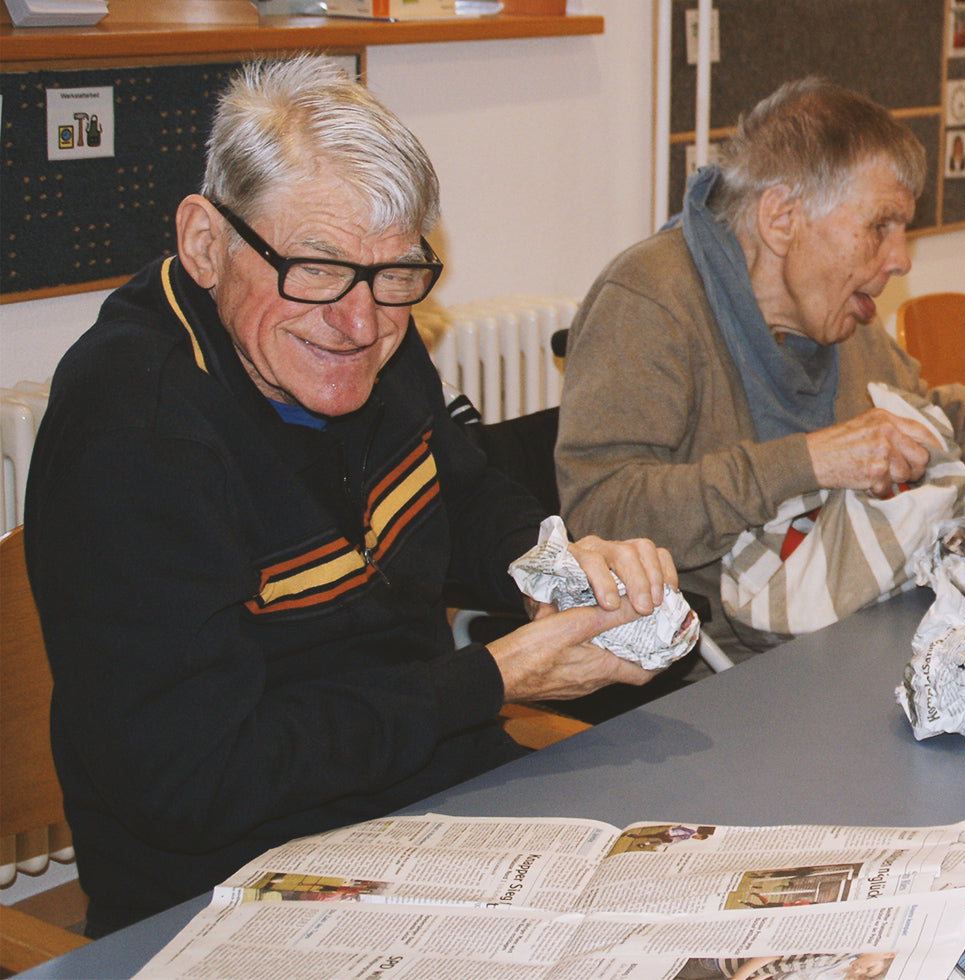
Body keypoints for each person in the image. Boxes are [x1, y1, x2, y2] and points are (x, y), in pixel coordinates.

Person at [24, 55, 676, 935]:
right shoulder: (135, 430)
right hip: (234, 889)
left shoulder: (366, 342)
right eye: (318, 269)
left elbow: (458, 493)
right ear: (206, 243)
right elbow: (195, 779)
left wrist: (553, 566)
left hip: (437, 814)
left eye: (395, 274)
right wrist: (493, 677)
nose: (360, 324)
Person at [555, 77, 965, 656]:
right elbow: (601, 513)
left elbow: (926, 428)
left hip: (845, 627)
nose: (901, 258)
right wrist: (808, 461)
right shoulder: (650, 301)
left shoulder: (835, 311)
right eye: (880, 225)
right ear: (781, 218)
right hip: (710, 667)